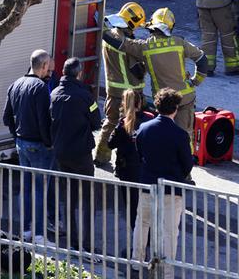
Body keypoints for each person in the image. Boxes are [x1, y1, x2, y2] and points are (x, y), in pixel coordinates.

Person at [104, 8, 208, 146]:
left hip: (164, 102)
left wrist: (102, 26)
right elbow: (202, 60)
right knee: (185, 136)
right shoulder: (180, 43)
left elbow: (121, 43)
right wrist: (195, 81)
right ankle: (186, 163)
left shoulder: (145, 47)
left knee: (164, 137)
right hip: (185, 98)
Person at [130, 89, 194, 279]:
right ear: (175, 109)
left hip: (148, 185)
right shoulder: (181, 135)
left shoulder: (144, 129)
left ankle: (136, 261)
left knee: (142, 224)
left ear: (157, 106)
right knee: (169, 232)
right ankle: (166, 271)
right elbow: (187, 164)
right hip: (171, 189)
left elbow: (139, 153)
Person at [49, 57, 102, 253]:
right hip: (81, 154)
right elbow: (97, 122)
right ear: (79, 73)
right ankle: (86, 243)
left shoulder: (54, 94)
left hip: (61, 154)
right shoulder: (85, 96)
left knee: (68, 198)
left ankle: (72, 240)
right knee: (88, 198)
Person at [2, 50, 55, 241]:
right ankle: (39, 234)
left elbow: (6, 117)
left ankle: (25, 229)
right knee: (40, 188)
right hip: (38, 145)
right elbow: (44, 120)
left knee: (25, 187)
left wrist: (16, 136)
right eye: (49, 65)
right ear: (43, 66)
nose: (50, 69)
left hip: (21, 143)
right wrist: (49, 144)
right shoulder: (40, 87)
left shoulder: (15, 84)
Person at [95, 2, 148, 169]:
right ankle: (123, 161)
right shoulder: (127, 44)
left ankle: (101, 156)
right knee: (129, 127)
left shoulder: (109, 37)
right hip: (130, 93)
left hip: (113, 91)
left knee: (110, 123)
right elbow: (138, 70)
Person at [108, 88, 152, 226]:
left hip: (127, 171)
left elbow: (110, 143)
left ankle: (136, 241)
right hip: (146, 170)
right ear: (140, 103)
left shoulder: (123, 124)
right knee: (147, 206)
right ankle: (148, 240)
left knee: (132, 207)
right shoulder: (150, 119)